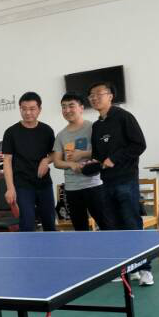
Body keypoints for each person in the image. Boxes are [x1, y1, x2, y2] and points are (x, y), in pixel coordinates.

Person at [88, 81, 153, 285]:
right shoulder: (97, 126)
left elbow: (139, 144)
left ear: (110, 96)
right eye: (91, 95)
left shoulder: (124, 117)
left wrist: (114, 159)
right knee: (114, 227)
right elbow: (98, 155)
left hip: (126, 179)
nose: (94, 98)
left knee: (132, 224)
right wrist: (91, 163)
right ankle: (127, 269)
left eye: (99, 93)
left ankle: (145, 270)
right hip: (106, 182)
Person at [2, 92, 56, 232]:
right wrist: (10, 188)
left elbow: (54, 154)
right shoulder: (11, 132)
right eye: (24, 109)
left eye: (32, 109)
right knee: (27, 223)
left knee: (49, 222)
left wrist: (46, 160)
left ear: (39, 109)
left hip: (44, 184)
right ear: (20, 109)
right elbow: (7, 161)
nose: (27, 112)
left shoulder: (47, 130)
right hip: (23, 185)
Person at [52, 92, 106, 230]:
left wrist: (82, 154)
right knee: (80, 229)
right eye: (64, 107)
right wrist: (71, 164)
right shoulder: (61, 135)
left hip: (94, 185)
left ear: (81, 108)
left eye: (71, 106)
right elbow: (57, 161)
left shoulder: (93, 128)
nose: (67, 110)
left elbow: (103, 152)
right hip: (72, 189)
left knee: (106, 225)